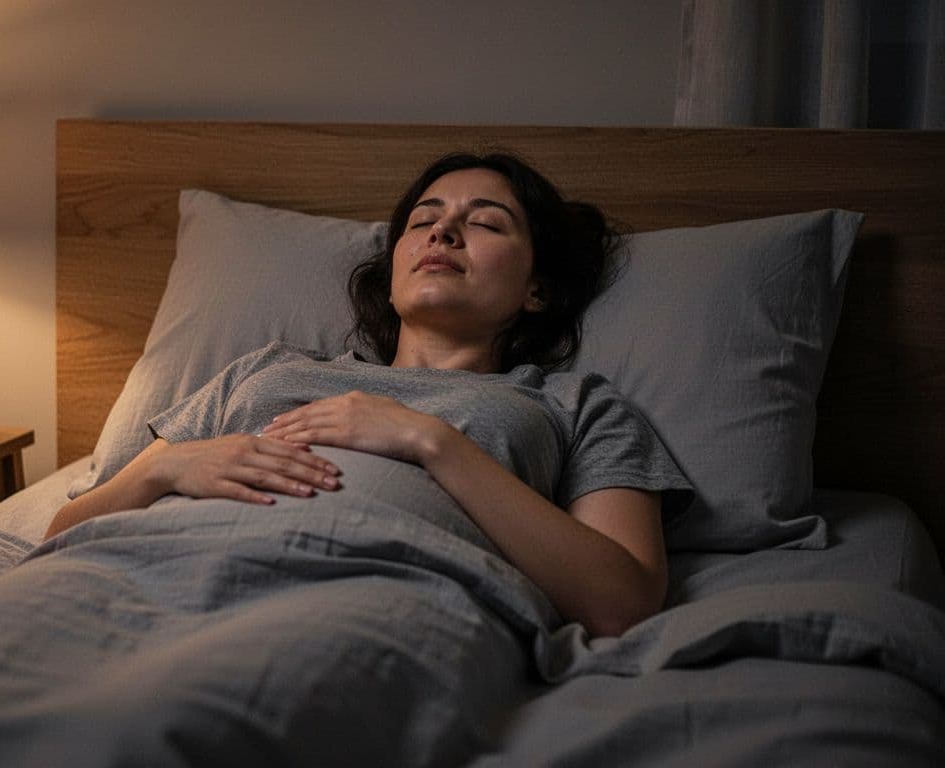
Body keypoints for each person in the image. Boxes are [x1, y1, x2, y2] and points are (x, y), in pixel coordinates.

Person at [47, 151, 691, 638]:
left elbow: (623, 603)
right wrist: (164, 468)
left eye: (485, 224)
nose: (443, 233)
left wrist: (430, 441)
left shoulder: (573, 405)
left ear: (537, 290)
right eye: (424, 220)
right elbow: (59, 537)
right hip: (151, 573)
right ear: (392, 275)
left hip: (375, 608)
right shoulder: (267, 369)